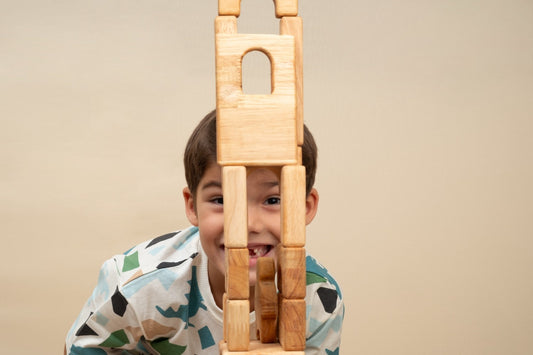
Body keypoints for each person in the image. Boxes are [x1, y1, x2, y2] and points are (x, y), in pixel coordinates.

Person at [65, 110, 344, 354]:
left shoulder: (319, 300)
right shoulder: (140, 287)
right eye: (221, 200)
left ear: (306, 207)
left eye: (273, 200)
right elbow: (81, 347)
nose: (248, 224)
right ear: (192, 206)